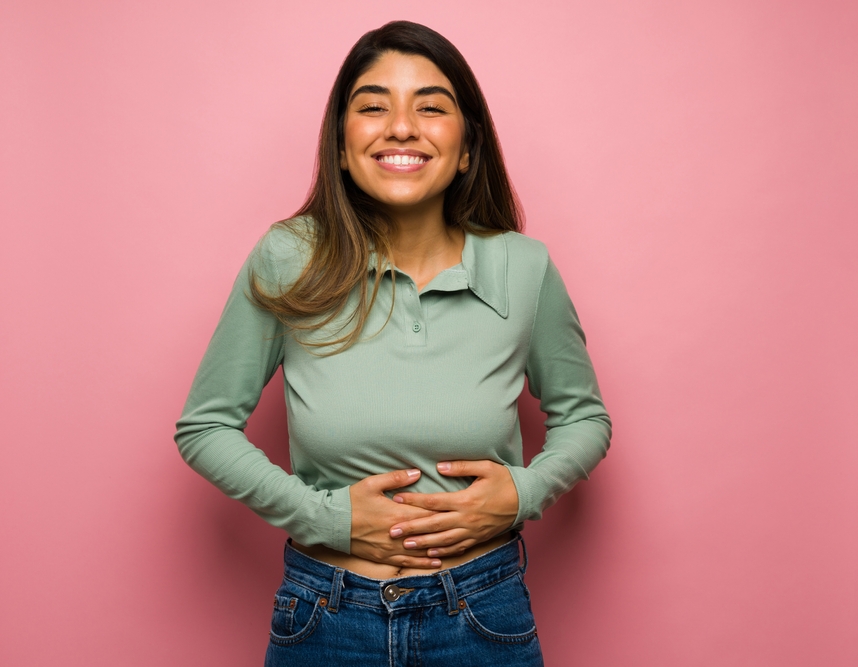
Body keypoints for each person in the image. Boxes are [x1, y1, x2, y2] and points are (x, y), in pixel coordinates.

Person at [174, 20, 611, 666]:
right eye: (373, 106)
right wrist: (329, 518)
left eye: (430, 107)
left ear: (467, 148)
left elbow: (585, 417)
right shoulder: (289, 257)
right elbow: (204, 426)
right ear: (343, 148)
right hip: (326, 617)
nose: (401, 126)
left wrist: (523, 491)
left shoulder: (525, 268)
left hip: (483, 615)